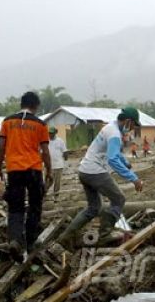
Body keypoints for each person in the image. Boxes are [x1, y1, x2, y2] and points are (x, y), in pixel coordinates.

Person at [58, 107, 143, 250]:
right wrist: (134, 178)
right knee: (119, 199)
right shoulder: (115, 133)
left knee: (93, 207)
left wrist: (125, 162)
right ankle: (105, 235)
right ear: (128, 121)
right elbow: (113, 159)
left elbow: (113, 152)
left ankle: (65, 237)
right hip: (95, 172)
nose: (133, 128)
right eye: (134, 125)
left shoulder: (110, 128)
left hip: (84, 171)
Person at [0, 92, 52, 260]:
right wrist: (49, 170)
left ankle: (15, 241)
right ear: (36, 105)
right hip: (34, 170)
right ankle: (31, 241)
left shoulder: (7, 122)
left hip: (14, 171)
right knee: (35, 205)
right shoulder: (40, 124)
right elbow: (46, 152)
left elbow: (1, 148)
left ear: (22, 104)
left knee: (15, 206)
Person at [48, 126, 68, 204]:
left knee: (57, 182)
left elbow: (65, 152)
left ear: (55, 133)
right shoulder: (46, 141)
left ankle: (56, 196)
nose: (50, 135)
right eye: (49, 133)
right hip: (49, 165)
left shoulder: (60, 141)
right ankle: (44, 194)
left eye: (52, 133)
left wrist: (65, 161)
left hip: (58, 165)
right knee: (47, 182)